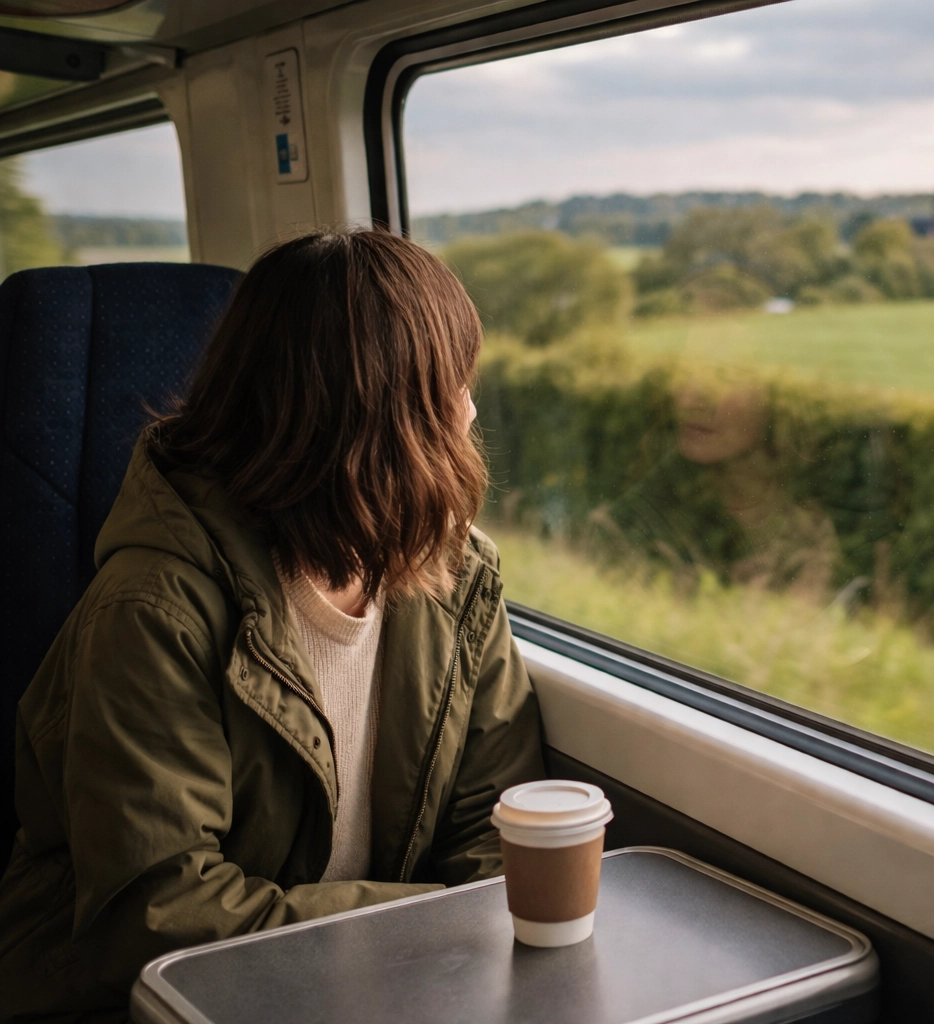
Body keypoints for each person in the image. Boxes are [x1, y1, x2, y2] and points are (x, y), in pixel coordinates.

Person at [0, 230, 544, 1020]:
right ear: (374, 418)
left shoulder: (457, 577)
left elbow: (501, 827)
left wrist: (444, 945)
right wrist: (430, 924)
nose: (467, 410)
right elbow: (163, 918)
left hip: (368, 981)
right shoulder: (153, 608)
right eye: (448, 387)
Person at [594, 364, 838, 598]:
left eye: (724, 376)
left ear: (776, 399)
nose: (688, 401)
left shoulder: (815, 524)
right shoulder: (630, 525)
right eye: (684, 373)